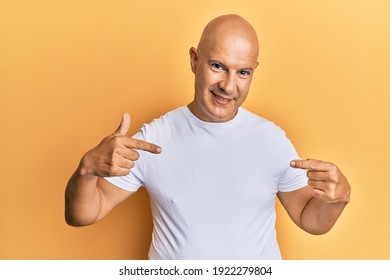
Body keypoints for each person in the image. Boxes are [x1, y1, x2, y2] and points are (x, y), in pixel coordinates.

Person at [65, 14, 351, 259]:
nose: (228, 85)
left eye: (243, 72)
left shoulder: (272, 140)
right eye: (217, 66)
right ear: (194, 60)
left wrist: (338, 200)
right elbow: (83, 214)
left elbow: (308, 218)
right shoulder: (153, 139)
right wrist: (86, 170)